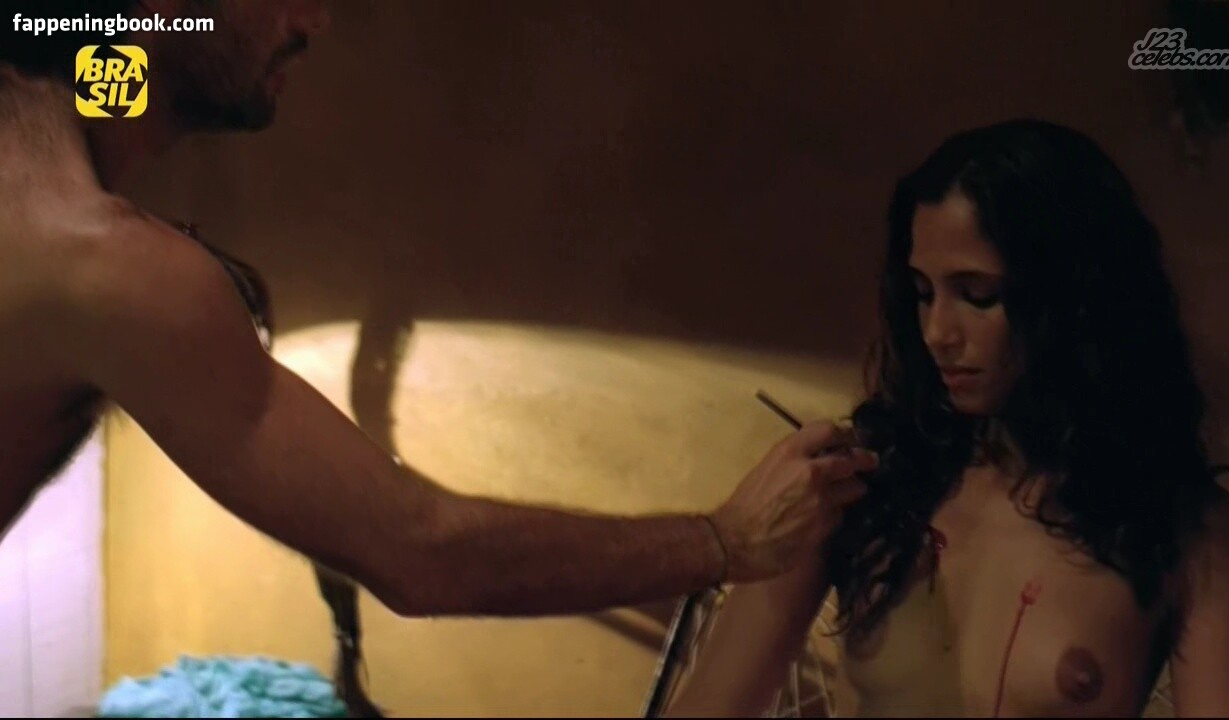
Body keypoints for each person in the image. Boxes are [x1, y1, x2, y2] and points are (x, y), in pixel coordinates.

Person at [0, 0, 878, 630]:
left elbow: (108, 70)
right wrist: (725, 541)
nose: (315, 21)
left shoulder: (58, 121)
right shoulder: (102, 263)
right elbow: (419, 552)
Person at [665, 120, 1229, 717]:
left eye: (977, 294)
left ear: (1070, 298)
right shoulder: (858, 483)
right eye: (923, 293)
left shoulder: (1186, 531)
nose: (937, 333)